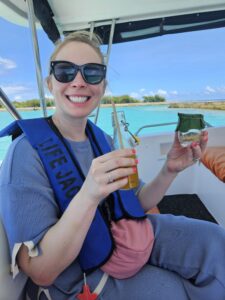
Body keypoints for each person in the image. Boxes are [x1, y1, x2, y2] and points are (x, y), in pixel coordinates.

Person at [0, 31, 225, 300]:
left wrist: (169, 170)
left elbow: (136, 202)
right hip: (78, 275)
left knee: (214, 242)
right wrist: (89, 194)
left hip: (121, 234)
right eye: (65, 71)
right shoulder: (26, 152)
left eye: (92, 72)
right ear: (50, 83)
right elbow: (41, 271)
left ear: (102, 86)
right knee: (172, 291)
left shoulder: (102, 139)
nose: (79, 82)